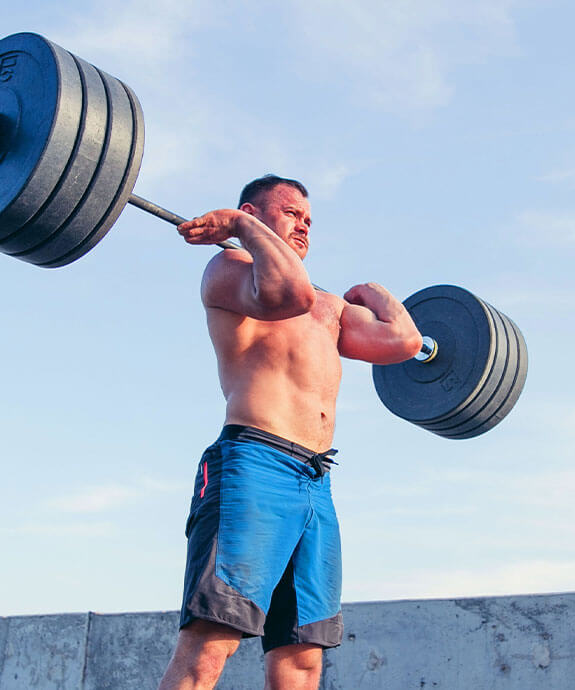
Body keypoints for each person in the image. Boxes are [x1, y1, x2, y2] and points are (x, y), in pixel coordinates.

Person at [157, 175, 422, 690]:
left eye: (308, 219)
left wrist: (373, 292)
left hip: (316, 482)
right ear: (253, 212)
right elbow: (285, 293)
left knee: (302, 657)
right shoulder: (230, 269)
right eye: (290, 212)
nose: (302, 224)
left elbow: (404, 341)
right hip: (253, 466)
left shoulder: (329, 307)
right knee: (212, 643)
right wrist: (238, 228)